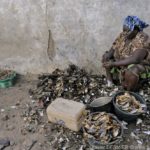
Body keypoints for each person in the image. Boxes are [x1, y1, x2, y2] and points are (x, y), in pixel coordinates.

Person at [102, 16, 150, 91]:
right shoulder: (123, 35)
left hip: (138, 65)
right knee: (106, 56)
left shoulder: (143, 38)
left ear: (135, 29)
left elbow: (136, 59)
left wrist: (113, 64)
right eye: (124, 30)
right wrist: (108, 56)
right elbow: (113, 47)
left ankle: (129, 91)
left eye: (127, 31)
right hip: (122, 63)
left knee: (132, 71)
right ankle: (110, 83)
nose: (125, 33)